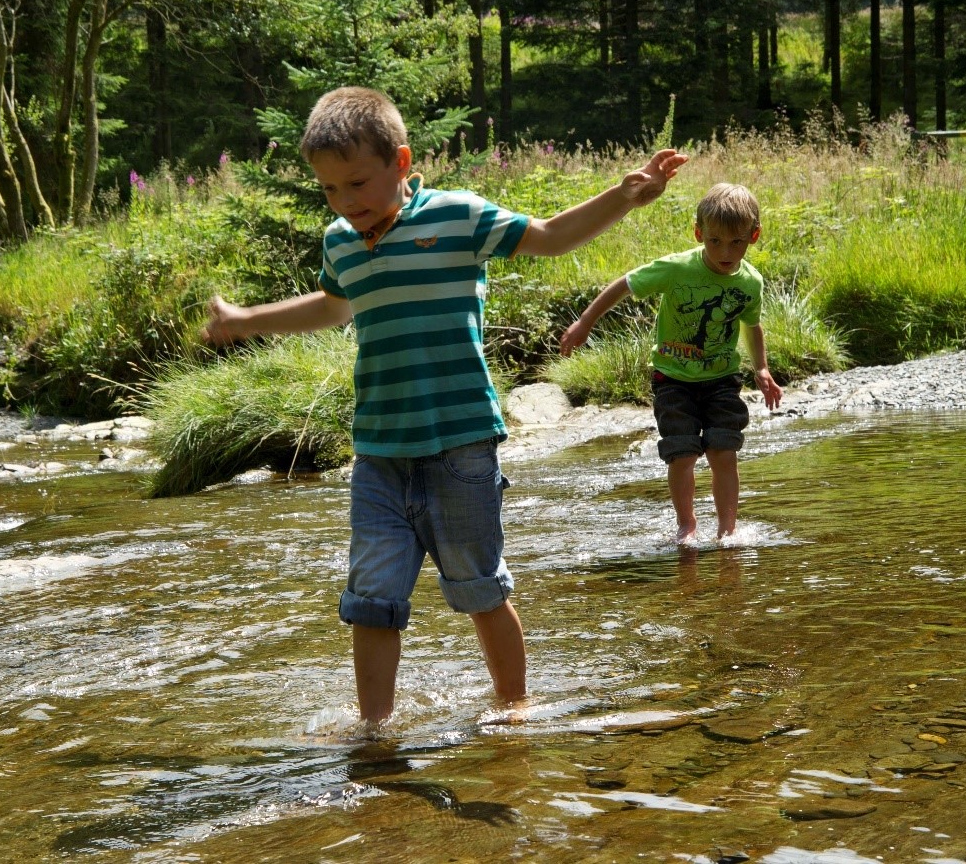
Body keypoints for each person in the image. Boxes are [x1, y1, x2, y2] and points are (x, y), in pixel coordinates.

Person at [202, 86, 688, 723]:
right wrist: (247, 320)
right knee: (371, 598)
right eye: (329, 191)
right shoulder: (341, 244)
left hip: (461, 445)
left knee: (481, 588)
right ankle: (375, 731)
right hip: (378, 453)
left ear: (401, 162)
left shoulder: (457, 217)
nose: (346, 204)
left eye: (357, 184)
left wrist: (624, 195)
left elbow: (549, 236)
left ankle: (515, 709)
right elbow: (331, 306)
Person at [559, 182, 782, 545]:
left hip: (722, 379)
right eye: (714, 242)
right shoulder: (677, 269)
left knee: (724, 450)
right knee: (682, 453)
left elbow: (751, 325)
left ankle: (727, 529)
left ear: (753, 236)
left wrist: (761, 369)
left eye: (736, 242)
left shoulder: (750, 282)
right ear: (699, 233)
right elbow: (624, 284)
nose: (725, 252)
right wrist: (585, 322)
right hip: (673, 380)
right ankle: (687, 525)